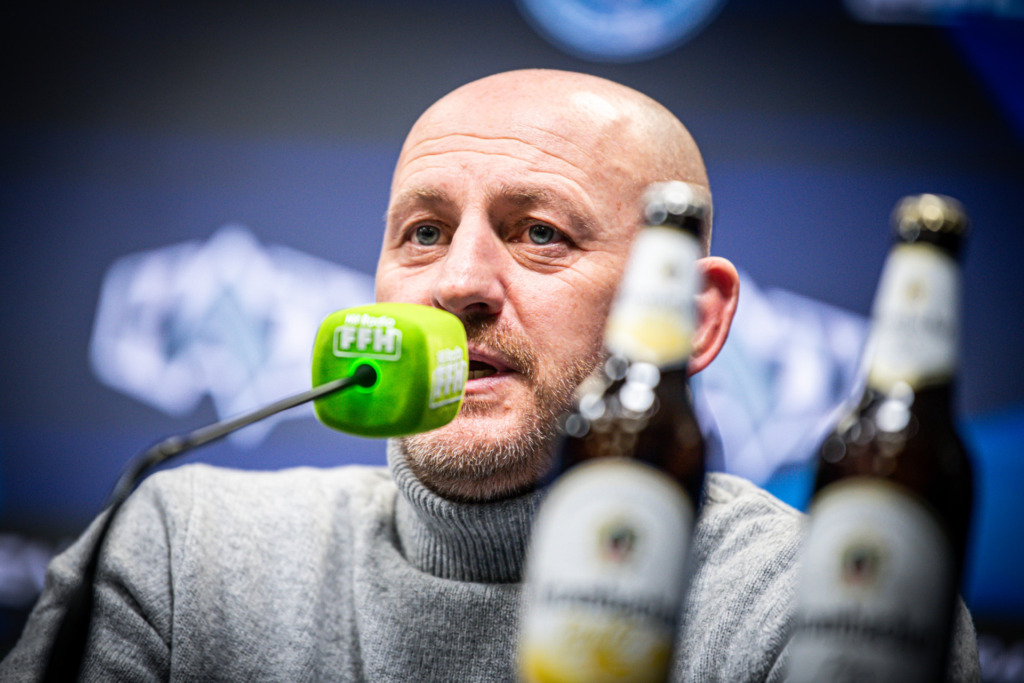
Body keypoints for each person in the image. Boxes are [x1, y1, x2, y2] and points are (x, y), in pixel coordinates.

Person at [0, 69, 980, 682]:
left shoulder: (828, 604)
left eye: (540, 232)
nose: (457, 283)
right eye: (423, 232)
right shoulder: (180, 551)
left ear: (691, 314)